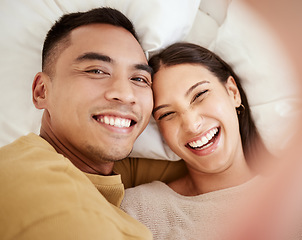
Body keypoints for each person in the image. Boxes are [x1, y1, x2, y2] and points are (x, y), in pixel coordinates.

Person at [0, 7, 187, 240]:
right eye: (97, 71)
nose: (125, 93)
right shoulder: (26, 179)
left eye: (139, 79)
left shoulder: (110, 169)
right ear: (42, 91)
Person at [121, 42, 271, 240]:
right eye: (167, 114)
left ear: (233, 93)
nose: (191, 125)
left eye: (200, 95)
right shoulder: (138, 210)